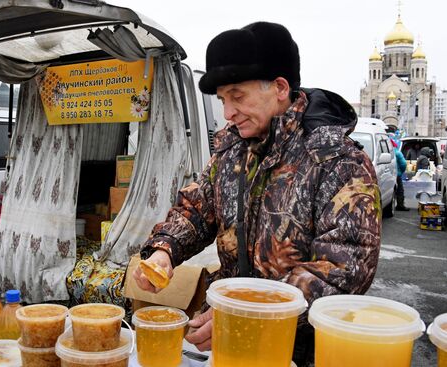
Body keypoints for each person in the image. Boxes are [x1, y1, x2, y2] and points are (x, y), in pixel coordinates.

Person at [133, 21, 381, 367]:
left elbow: (344, 269)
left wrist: (246, 314)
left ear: (280, 87)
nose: (227, 113)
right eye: (222, 100)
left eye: (237, 96)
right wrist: (164, 250)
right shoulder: (231, 150)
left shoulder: (337, 160)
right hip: (230, 343)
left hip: (300, 350)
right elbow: (196, 209)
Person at [391, 139, 410, 211]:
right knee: (400, 190)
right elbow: (403, 164)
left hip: (388, 174)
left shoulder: (386, 152)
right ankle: (400, 205)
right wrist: (400, 172)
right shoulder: (397, 153)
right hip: (396, 174)